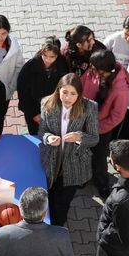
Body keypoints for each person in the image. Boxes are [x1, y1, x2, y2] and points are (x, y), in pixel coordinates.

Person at [38, 73, 99, 226]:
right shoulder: (47, 103)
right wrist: (47, 138)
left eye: (73, 93)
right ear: (58, 90)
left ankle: (57, 228)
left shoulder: (90, 107)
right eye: (64, 92)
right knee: (49, 196)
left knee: (63, 203)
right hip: (51, 161)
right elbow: (42, 130)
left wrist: (79, 137)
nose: (67, 97)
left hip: (74, 164)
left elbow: (94, 138)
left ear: (79, 95)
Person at [81, 50, 129, 198]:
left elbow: (116, 117)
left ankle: (101, 183)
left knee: (99, 158)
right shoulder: (94, 71)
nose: (90, 68)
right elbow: (82, 84)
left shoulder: (120, 90)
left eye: (93, 67)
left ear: (103, 71)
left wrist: (96, 129)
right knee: (84, 153)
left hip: (100, 130)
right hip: (84, 122)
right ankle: (84, 177)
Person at [16, 36, 69, 135]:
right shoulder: (29, 67)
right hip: (34, 110)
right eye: (45, 55)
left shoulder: (62, 66)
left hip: (54, 111)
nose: (47, 60)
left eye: (52, 57)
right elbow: (23, 93)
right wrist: (34, 113)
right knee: (36, 135)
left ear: (57, 55)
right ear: (41, 52)